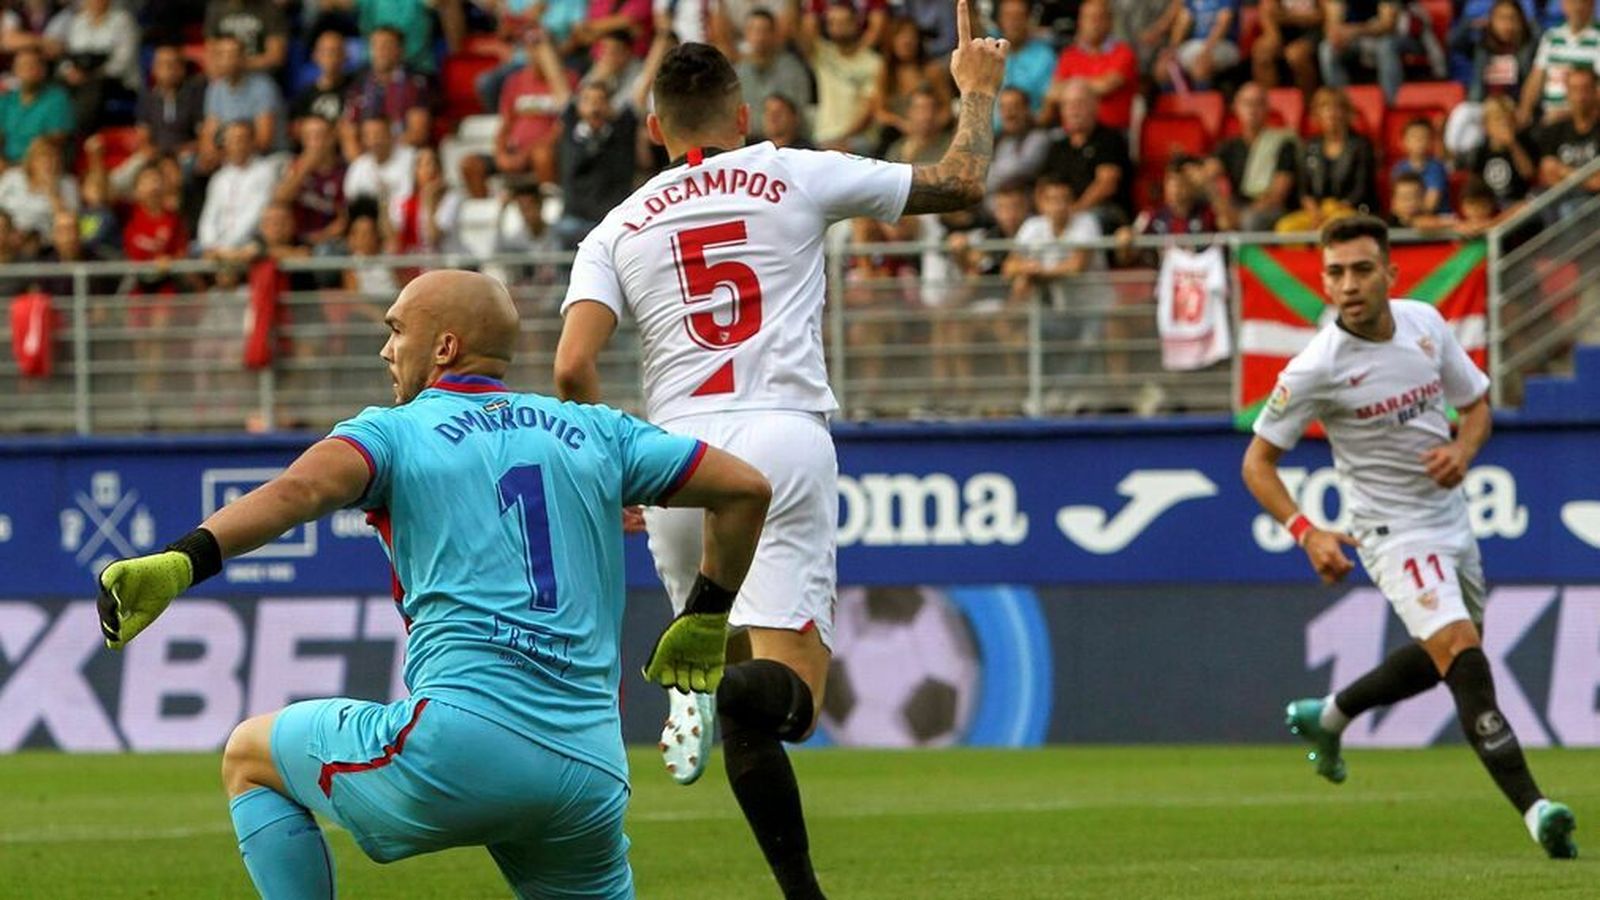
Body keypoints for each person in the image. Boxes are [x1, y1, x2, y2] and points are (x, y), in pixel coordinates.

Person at [94, 268, 773, 898]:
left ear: (444, 346)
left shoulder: (395, 431)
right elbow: (745, 488)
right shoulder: (595, 430)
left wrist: (184, 559)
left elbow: (301, 488)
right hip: (589, 770)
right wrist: (708, 613)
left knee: (249, 754)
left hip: (460, 749)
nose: (387, 350)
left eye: (396, 330)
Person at [553, 11, 1009, 896]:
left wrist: (618, 467)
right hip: (779, 444)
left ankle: (700, 689)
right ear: (743, 118)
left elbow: (572, 365)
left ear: (654, 131)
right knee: (782, 706)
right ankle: (710, 686)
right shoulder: (788, 172)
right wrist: (976, 95)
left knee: (717, 650)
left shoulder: (614, 227)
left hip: (675, 454)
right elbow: (959, 184)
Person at [1242, 214, 1578, 861]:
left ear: (1390, 275)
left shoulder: (1425, 322)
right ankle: (1538, 811)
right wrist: (1307, 532)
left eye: (1362, 269)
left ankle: (1330, 714)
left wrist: (1464, 449)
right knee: (1464, 653)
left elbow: (1476, 406)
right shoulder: (1316, 367)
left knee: (1442, 658)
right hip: (1391, 532)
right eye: (1335, 273)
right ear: (1323, 280)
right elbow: (1256, 463)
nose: (1348, 284)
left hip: (1451, 519)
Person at [1519, 0, 1600, 126]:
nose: (1577, 7)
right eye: (1572, 3)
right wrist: (1524, 111)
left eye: (1583, 2)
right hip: (1550, 116)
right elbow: (1535, 79)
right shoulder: (1551, 37)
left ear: (1592, 4)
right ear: (1563, 5)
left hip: (1585, 120)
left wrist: (1569, 113)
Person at [1252, 0, 1322, 92]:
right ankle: (1269, 100)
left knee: (1296, 55)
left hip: (1312, 33)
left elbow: (1322, 15)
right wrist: (1272, 34)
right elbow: (1267, 10)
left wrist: (1288, 16)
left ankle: (1308, 102)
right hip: (1282, 31)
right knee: (1262, 51)